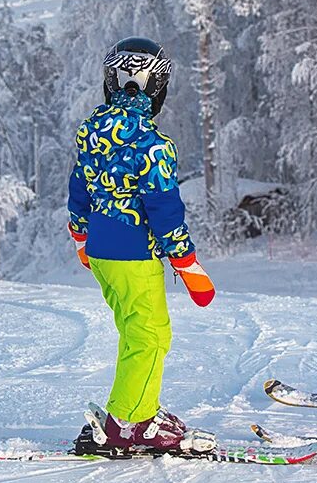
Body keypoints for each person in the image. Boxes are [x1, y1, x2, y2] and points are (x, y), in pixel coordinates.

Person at [67, 37, 217, 453]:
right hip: (133, 254)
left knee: (138, 332)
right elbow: (165, 210)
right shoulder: (153, 145)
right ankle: (131, 423)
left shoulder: (91, 131)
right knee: (149, 337)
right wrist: (187, 265)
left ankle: (135, 407)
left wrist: (81, 235)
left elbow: (78, 186)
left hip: (101, 250)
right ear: (158, 90)